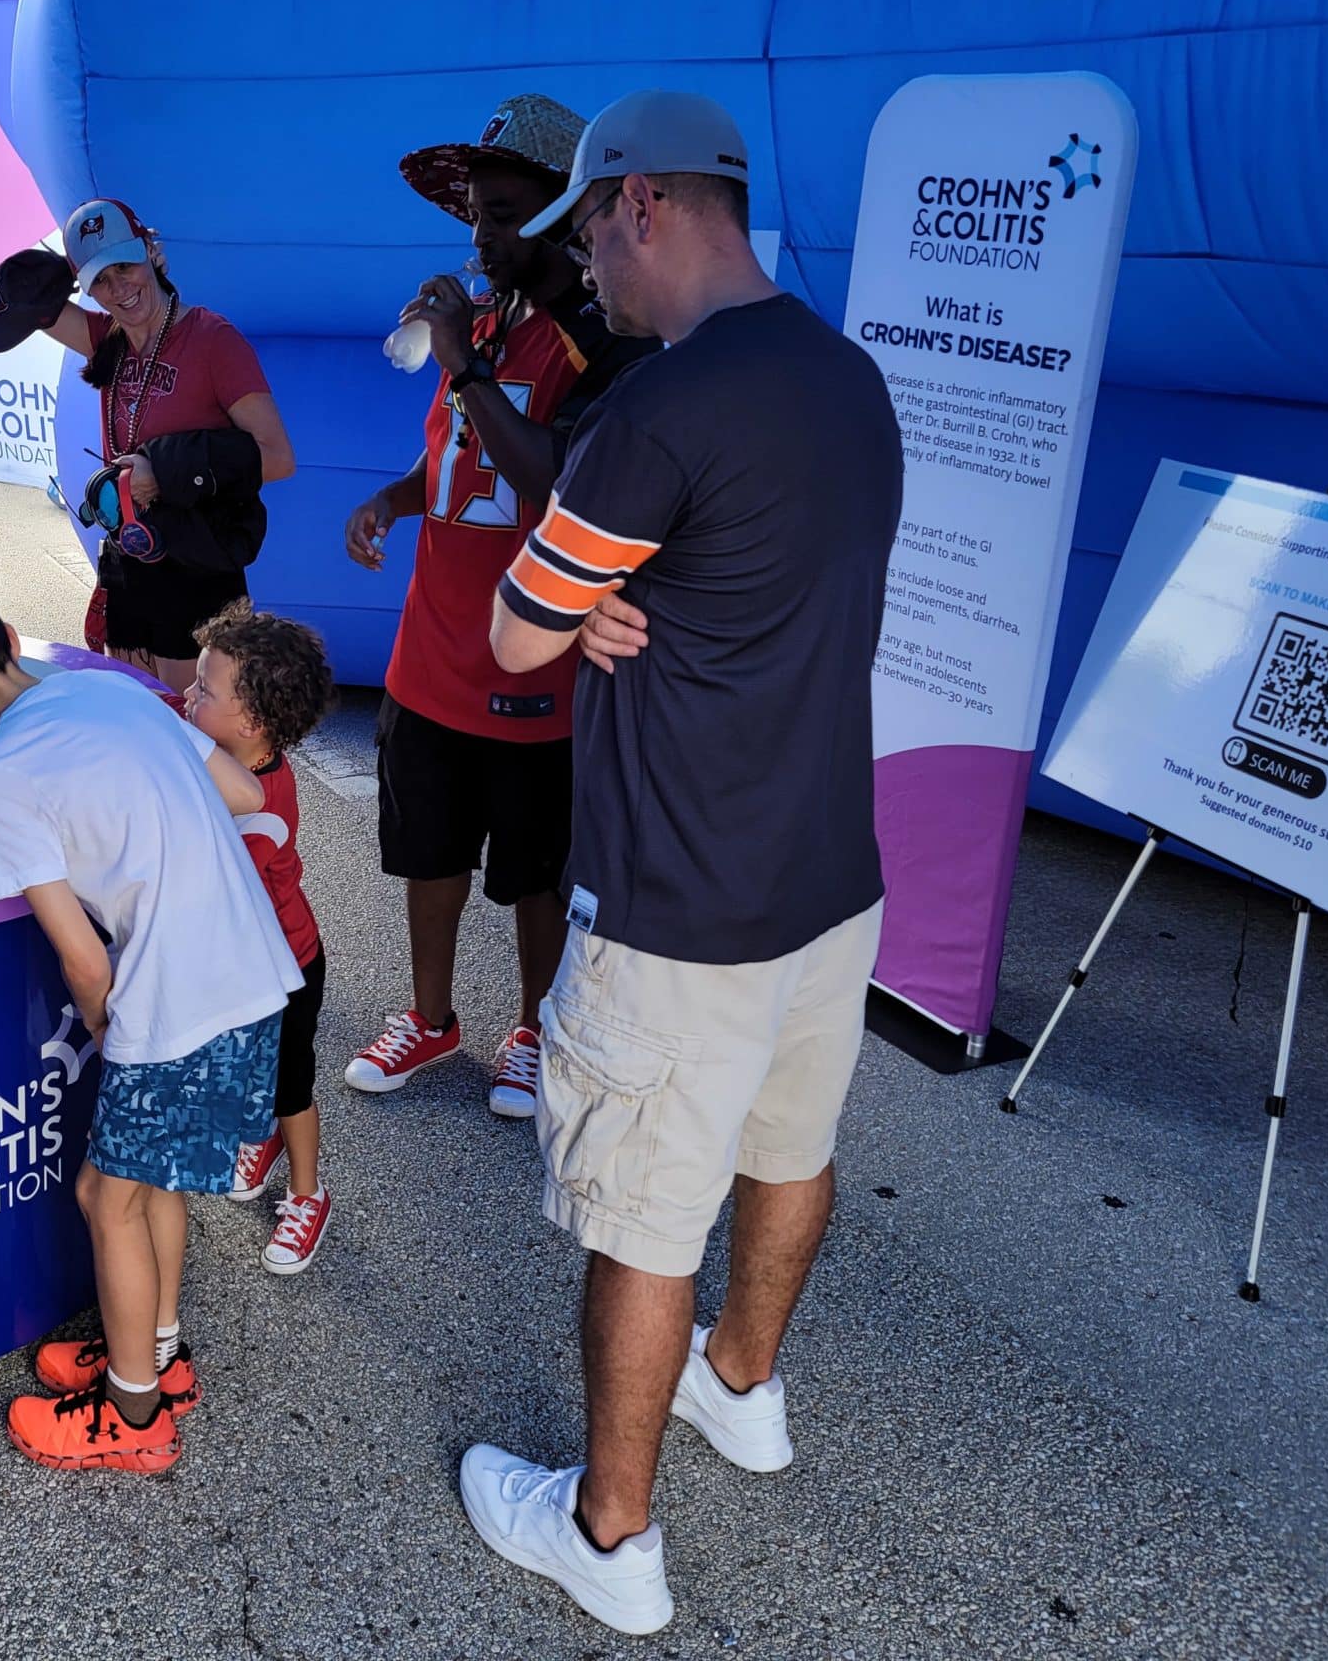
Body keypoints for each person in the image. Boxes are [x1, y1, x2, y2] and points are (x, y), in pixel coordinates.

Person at [457, 91, 903, 1636]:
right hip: (831, 876)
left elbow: (515, 627)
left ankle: (610, 1536)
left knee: (645, 1218)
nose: (589, 266)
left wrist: (582, 609)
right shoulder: (850, 380)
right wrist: (618, 601)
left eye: (589, 228)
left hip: (679, 900)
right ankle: (745, 1390)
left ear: (642, 203)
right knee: (791, 1146)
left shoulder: (658, 410)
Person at [0, 574, 303, 1474]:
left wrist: (113, 1031)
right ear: (6, 638)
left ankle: (133, 1417)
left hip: (177, 1005)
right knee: (154, 1186)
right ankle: (159, 1355)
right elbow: (240, 791)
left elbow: (83, 958)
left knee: (106, 1200)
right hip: (259, 975)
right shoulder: (106, 688)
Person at [341, 94, 659, 1119]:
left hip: (535, 670)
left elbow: (554, 483)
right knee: (426, 852)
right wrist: (394, 498)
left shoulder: (605, 346)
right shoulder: (480, 321)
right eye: (475, 213)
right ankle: (431, 1021)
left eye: (506, 211)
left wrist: (465, 363)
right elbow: (457, 456)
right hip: (428, 655)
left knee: (531, 873)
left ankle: (532, 1028)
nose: (483, 235)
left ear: (569, 216)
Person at [0, 199, 296, 693]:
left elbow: (278, 457)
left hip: (198, 570)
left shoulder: (213, 341)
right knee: (139, 722)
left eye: (125, 265)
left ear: (152, 253)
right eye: (99, 279)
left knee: (193, 732)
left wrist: (166, 470)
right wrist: (35, 275)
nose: (118, 288)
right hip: (131, 564)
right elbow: (11, 312)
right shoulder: (105, 336)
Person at [183, 602, 336, 1274]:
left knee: (288, 1086)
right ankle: (260, 1141)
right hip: (239, 966)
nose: (187, 695)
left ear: (248, 722)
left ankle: (308, 1193)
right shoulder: (229, 749)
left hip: (283, 969)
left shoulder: (260, 803)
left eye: (202, 689)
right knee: (248, 1069)